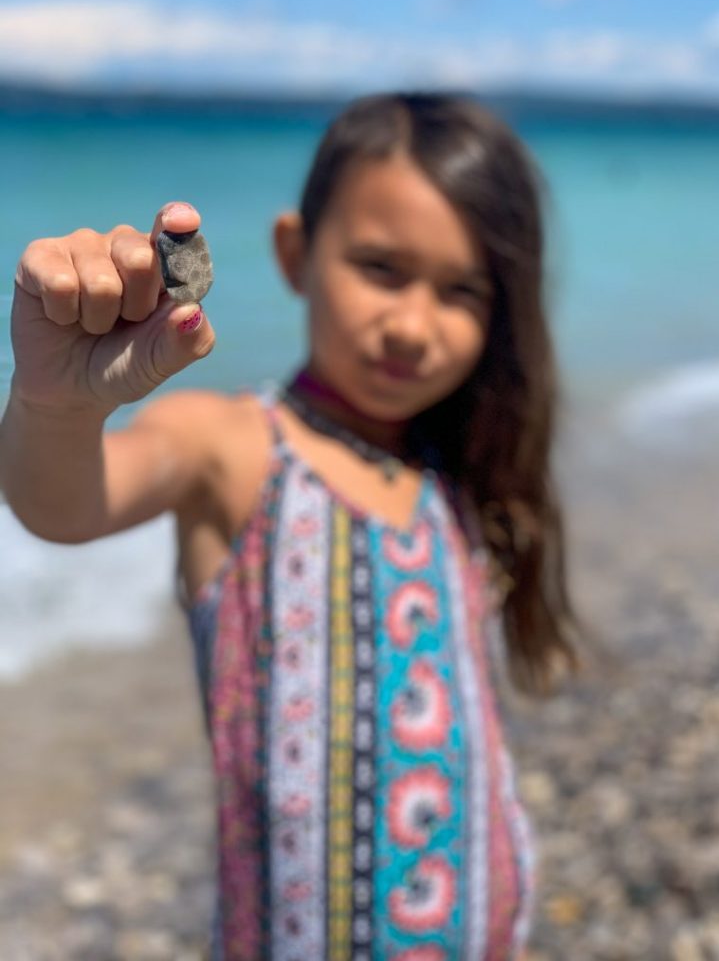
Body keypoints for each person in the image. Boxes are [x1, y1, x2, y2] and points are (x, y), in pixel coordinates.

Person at [1, 92, 580, 960]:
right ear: (295, 255)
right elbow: (62, 505)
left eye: (461, 291)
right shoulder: (234, 449)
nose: (413, 326)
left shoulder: (459, 481)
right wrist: (55, 403)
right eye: (381, 269)